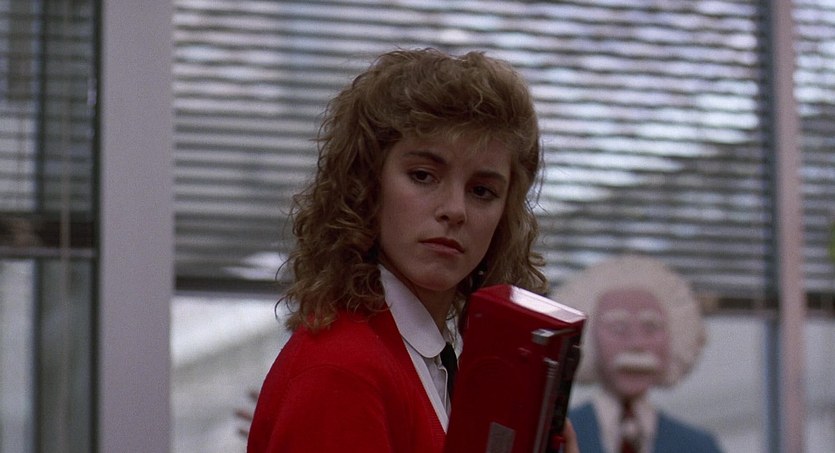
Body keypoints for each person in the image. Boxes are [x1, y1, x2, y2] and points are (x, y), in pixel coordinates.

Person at [246, 48, 580, 453]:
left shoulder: (429, 357)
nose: (455, 210)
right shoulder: (342, 369)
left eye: (482, 191)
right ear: (366, 185)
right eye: (423, 176)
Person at [552, 255, 723, 453]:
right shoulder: (554, 438)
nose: (636, 343)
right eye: (618, 327)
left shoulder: (699, 446)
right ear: (587, 335)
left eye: (651, 327)